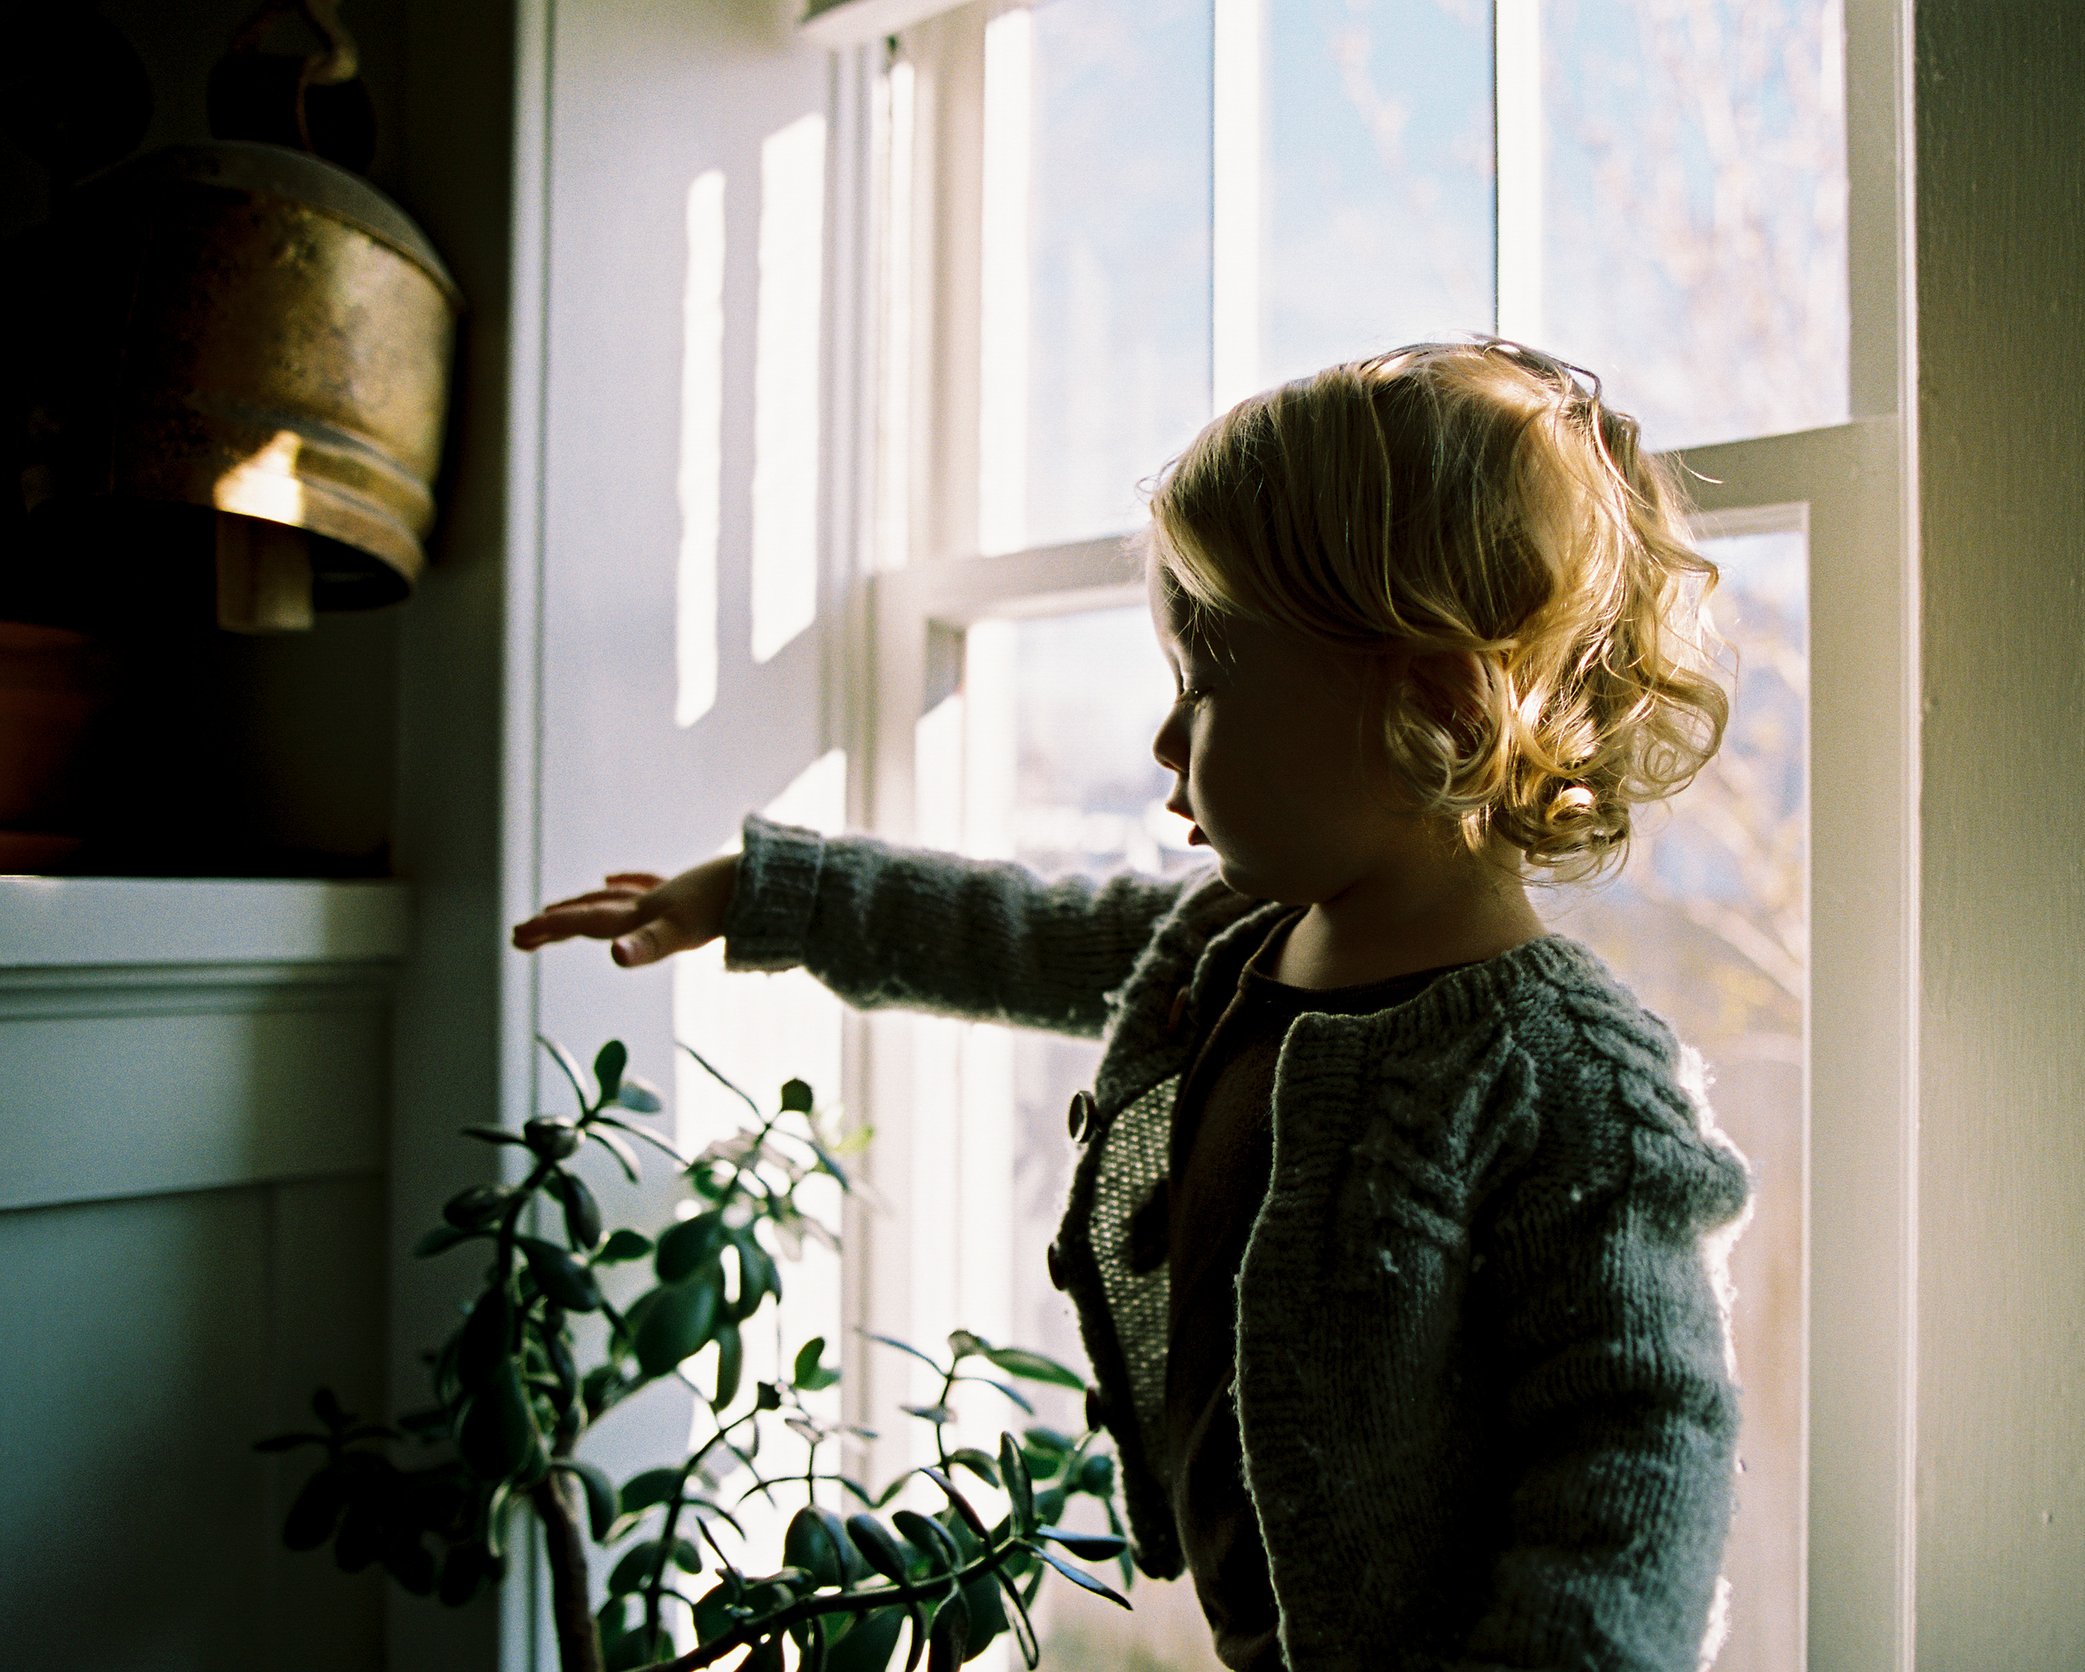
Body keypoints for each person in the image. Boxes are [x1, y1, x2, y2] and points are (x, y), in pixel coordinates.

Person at [513, 340, 1752, 1672]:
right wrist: (766, 896)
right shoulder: (1226, 946)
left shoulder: (1575, 1081)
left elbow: (1640, 1453)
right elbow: (1015, 935)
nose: (1167, 743)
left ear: (1433, 711)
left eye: (1209, 684)